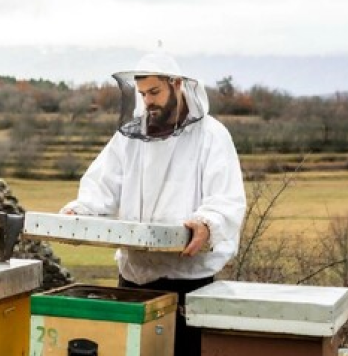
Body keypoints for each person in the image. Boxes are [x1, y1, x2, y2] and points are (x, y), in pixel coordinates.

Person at [60, 53, 247, 355]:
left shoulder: (212, 136)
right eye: (143, 94)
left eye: (155, 92)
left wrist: (207, 223)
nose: (148, 101)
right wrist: (80, 211)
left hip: (188, 282)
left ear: (176, 84)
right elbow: (102, 185)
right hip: (133, 279)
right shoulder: (130, 136)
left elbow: (226, 198)